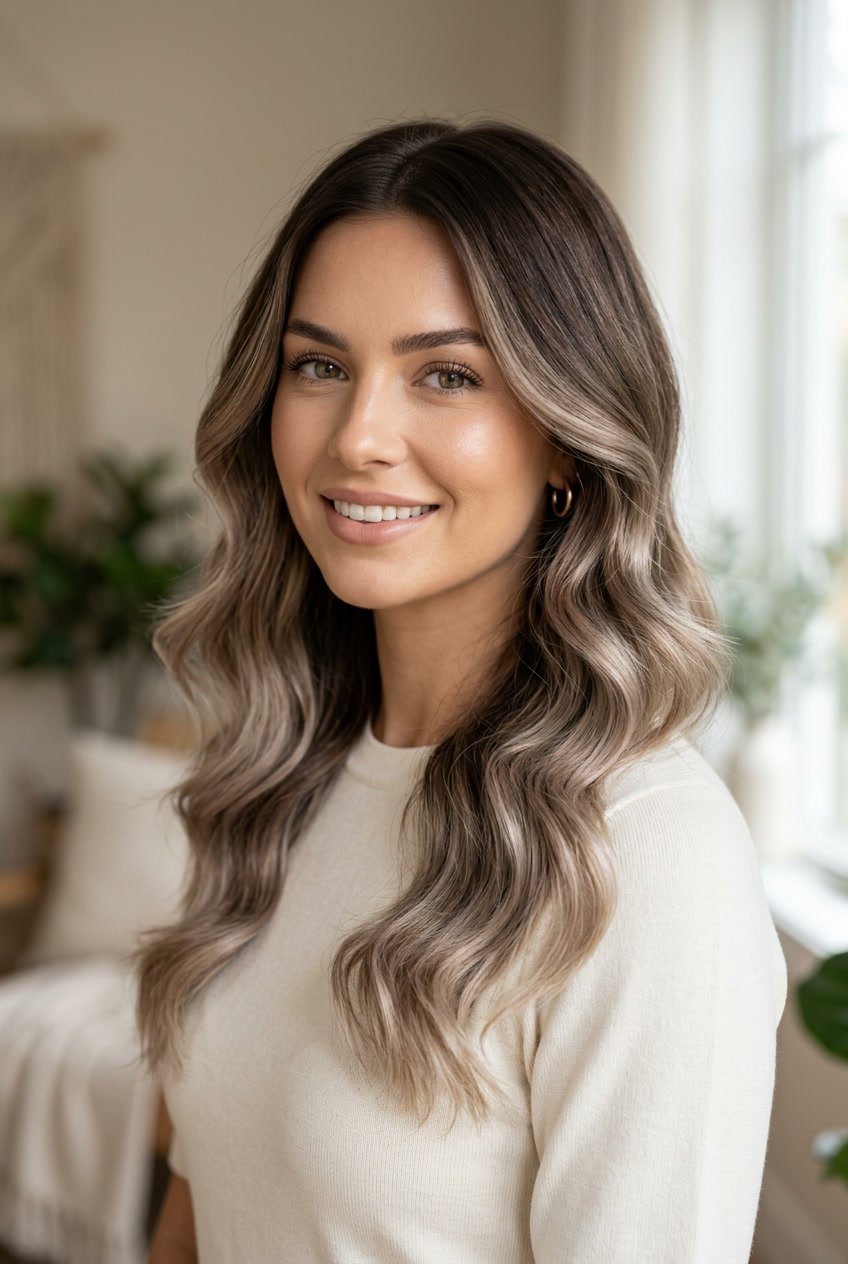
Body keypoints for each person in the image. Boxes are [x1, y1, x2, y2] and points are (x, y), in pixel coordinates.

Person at [137, 117, 788, 1264]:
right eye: (319, 366)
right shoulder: (278, 779)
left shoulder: (646, 858)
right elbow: (201, 1212)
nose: (359, 437)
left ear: (568, 438)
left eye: (446, 374)